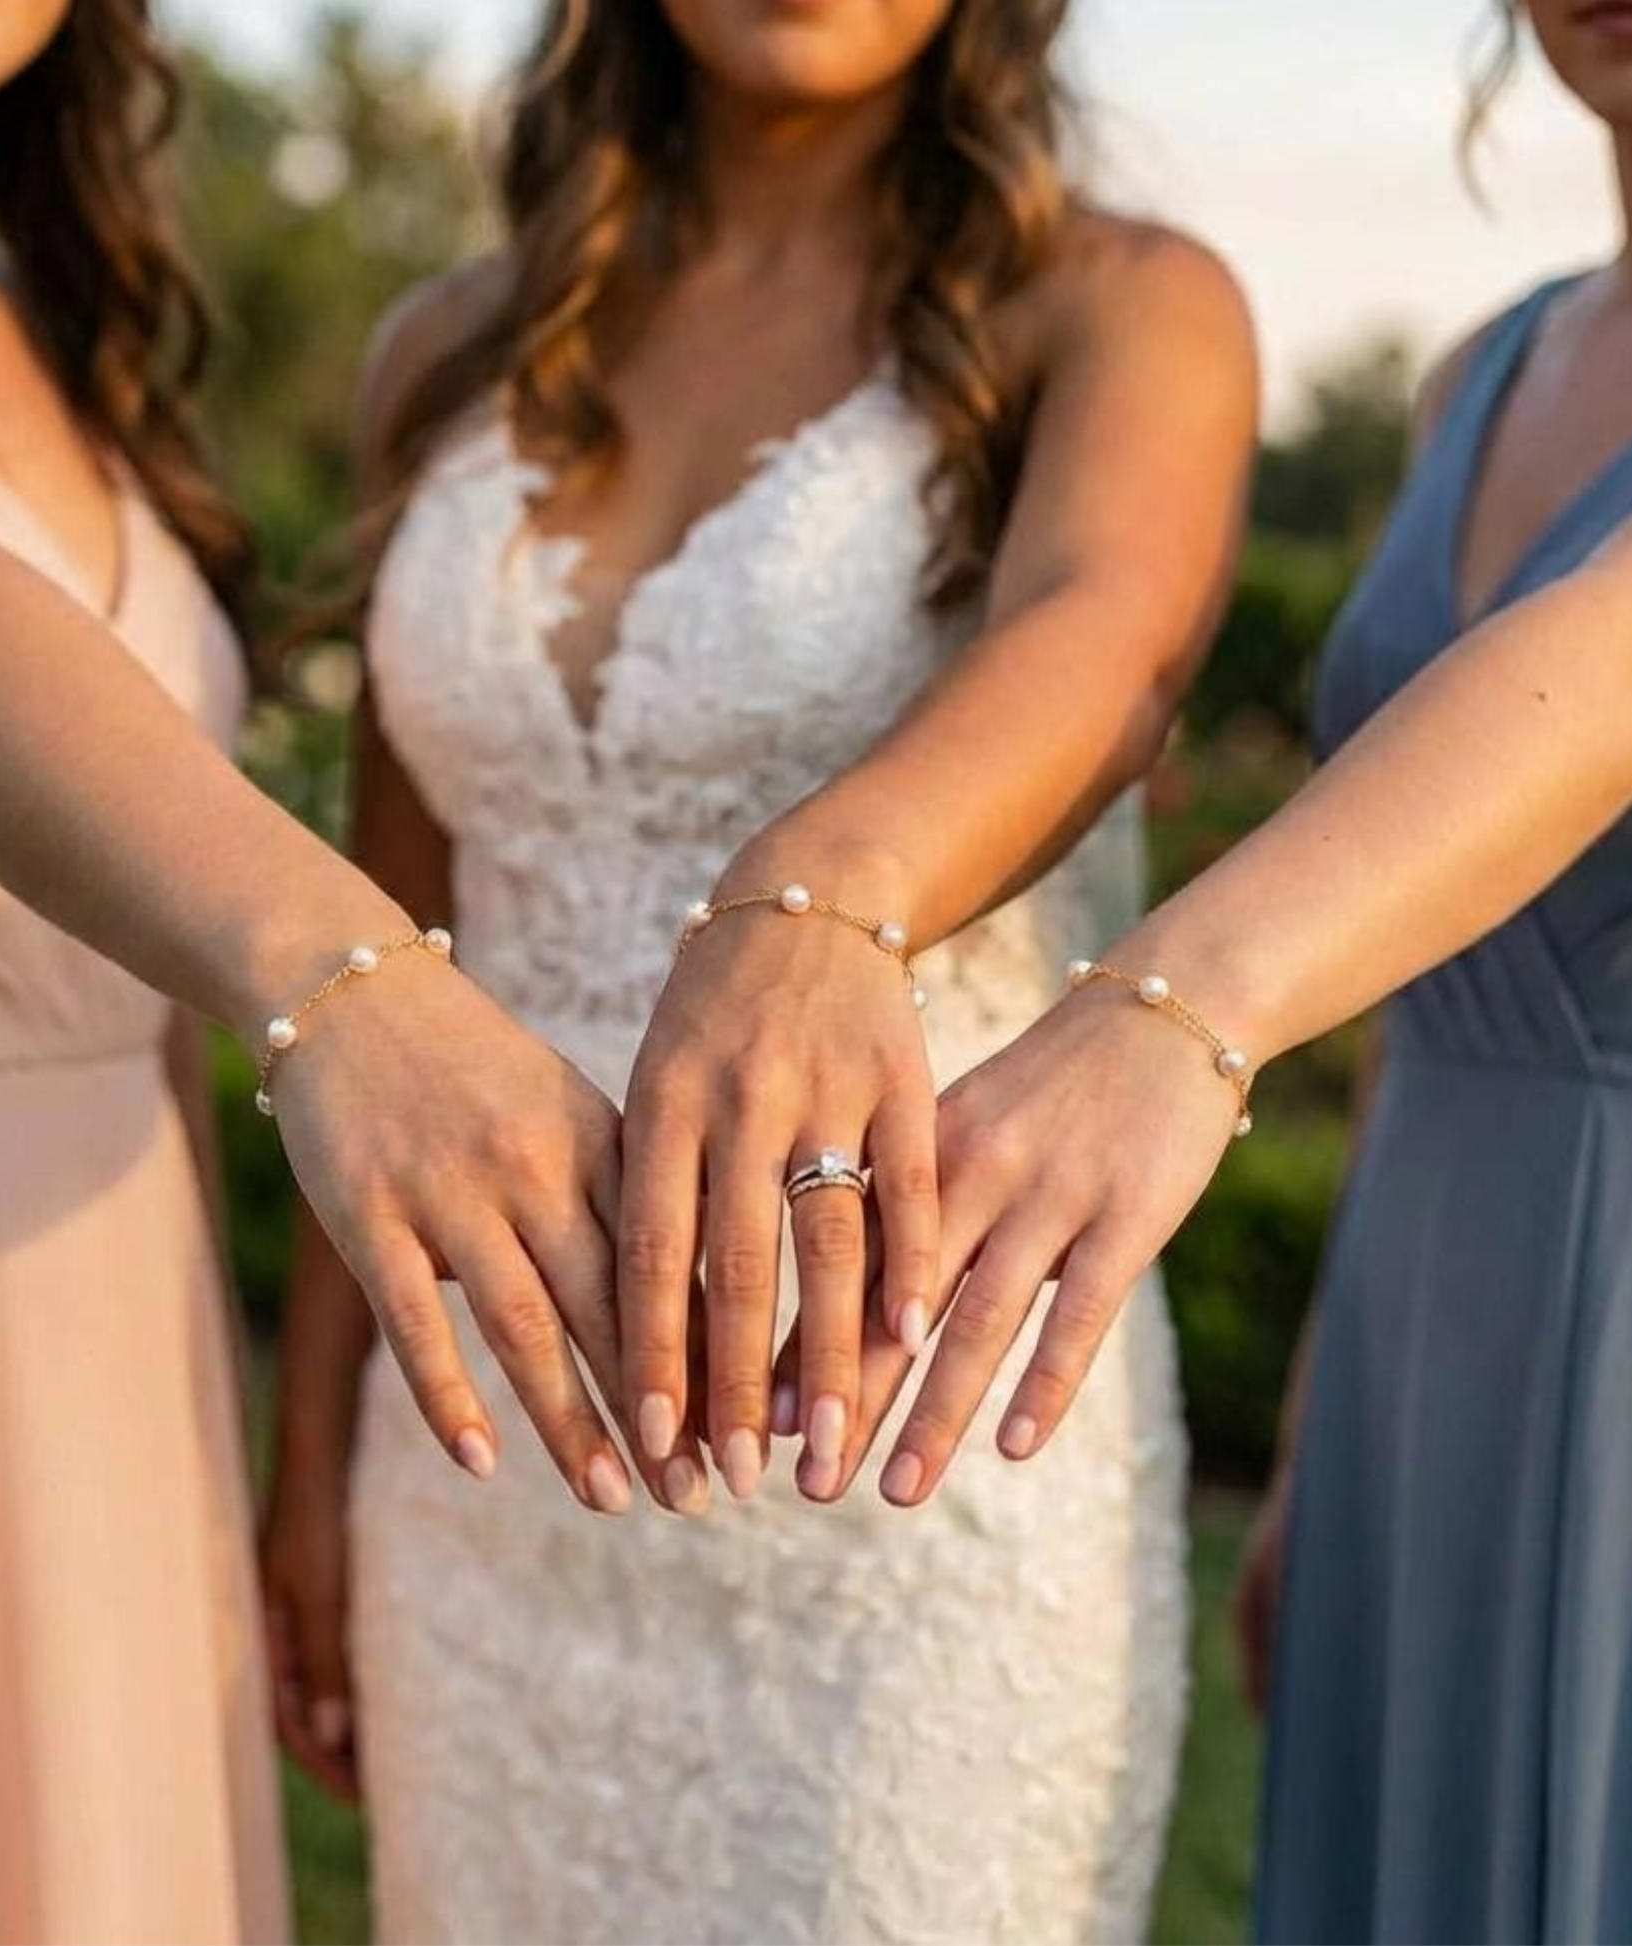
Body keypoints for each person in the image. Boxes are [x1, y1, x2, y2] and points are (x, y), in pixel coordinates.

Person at [258, 0, 1256, 1939]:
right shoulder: (444, 353)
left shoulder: (1120, 305)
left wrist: (816, 896)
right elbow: (388, 953)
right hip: (479, 1476)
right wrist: (311, 1445)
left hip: (908, 1478)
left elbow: (1109, 630)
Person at [830, 0, 1632, 1936]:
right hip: (1426, 1319)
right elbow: (1440, 953)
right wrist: (1337, 1377)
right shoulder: (1479, 375)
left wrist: (1169, 1003)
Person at [0, 6, 661, 1938]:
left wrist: (256, 1456)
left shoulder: (74, 334)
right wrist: (353, 982)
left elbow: (140, 1000)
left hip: (107, 1319)